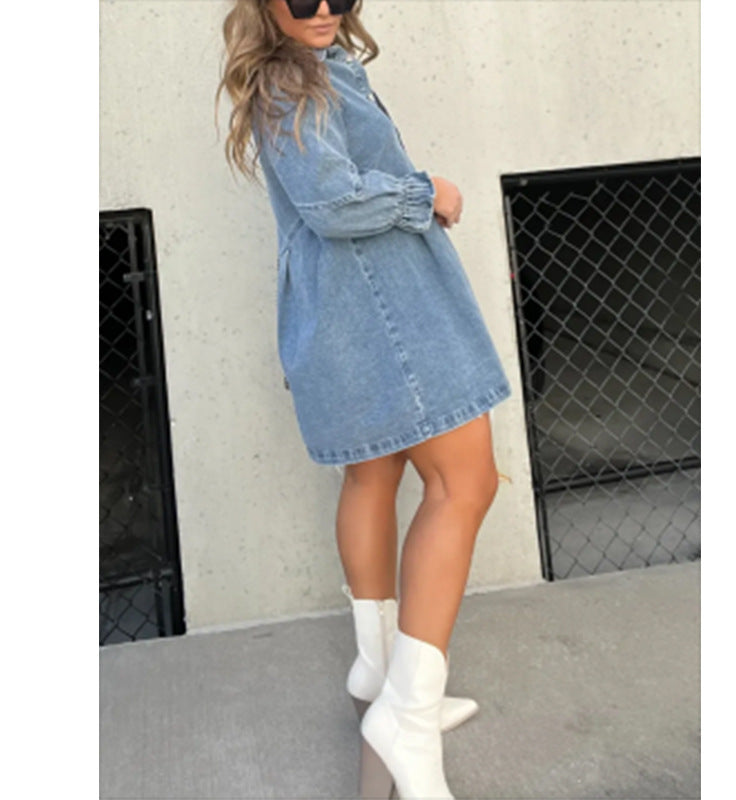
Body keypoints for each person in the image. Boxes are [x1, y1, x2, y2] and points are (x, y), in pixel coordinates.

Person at [216, 2, 512, 797]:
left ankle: (381, 673)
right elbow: (332, 201)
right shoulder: (290, 80)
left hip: (349, 315)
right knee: (464, 484)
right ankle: (406, 717)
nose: (322, 10)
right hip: (385, 310)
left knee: (373, 475)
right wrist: (427, 193)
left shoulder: (314, 71)